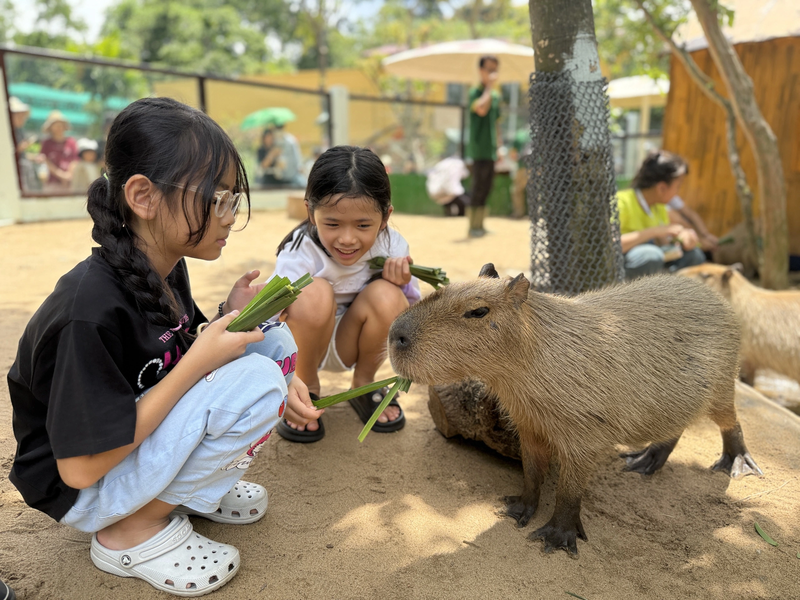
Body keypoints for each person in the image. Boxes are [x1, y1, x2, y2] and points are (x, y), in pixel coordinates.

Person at [7, 97, 320, 596]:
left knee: (270, 340)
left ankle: (189, 490)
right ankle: (128, 530)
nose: (229, 215)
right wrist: (201, 361)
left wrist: (226, 319)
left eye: (232, 200)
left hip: (131, 441)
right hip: (86, 487)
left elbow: (173, 351)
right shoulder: (88, 311)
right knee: (257, 380)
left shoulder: (165, 266)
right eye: (217, 199)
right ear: (144, 196)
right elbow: (79, 466)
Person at [270, 146, 421, 443]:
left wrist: (401, 283)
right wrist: (282, 376)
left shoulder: (392, 247)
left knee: (389, 296)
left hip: (354, 343)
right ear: (311, 213)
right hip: (305, 347)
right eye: (333, 223)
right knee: (312, 290)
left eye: (363, 225)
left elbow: (410, 308)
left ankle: (363, 384)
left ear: (386, 216)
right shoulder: (300, 250)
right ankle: (307, 388)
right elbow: (275, 315)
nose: (348, 238)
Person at [618, 150, 707, 279]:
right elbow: (612, 246)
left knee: (694, 254)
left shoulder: (659, 207)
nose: (678, 192)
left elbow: (664, 243)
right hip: (622, 266)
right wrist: (654, 231)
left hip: (652, 264)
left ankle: (671, 295)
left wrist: (681, 239)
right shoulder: (621, 202)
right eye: (678, 186)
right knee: (650, 255)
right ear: (662, 188)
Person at [466, 55, 501, 238]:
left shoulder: (495, 96)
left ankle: (481, 224)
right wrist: (489, 87)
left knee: (487, 187)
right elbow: (481, 109)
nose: (492, 73)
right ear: (481, 71)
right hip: (479, 149)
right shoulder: (475, 92)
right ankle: (473, 225)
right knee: (478, 187)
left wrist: (499, 147)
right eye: (489, 69)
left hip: (491, 150)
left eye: (495, 69)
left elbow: (496, 123)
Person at [39, 110, 78, 193]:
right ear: (51, 128)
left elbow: (75, 160)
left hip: (69, 183)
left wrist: (68, 175)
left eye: (61, 125)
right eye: (55, 125)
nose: (59, 128)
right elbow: (45, 161)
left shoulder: (71, 142)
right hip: (51, 183)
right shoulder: (46, 143)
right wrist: (61, 175)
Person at [9, 96, 41, 192]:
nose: (22, 118)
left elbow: (22, 155)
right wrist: (21, 147)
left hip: (24, 170)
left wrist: (34, 158)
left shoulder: (20, 131)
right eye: (19, 115)